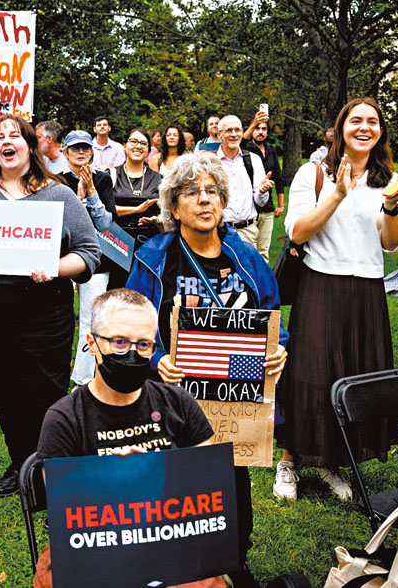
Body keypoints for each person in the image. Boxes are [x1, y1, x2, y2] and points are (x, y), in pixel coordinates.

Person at [125, 152, 290, 586]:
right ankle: (175, 566)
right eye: (191, 192)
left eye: (212, 191)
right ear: (173, 206)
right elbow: (131, 322)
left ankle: (234, 561)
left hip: (235, 399)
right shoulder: (153, 257)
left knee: (231, 482)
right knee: (173, 486)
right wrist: (156, 358)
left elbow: (271, 313)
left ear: (223, 201)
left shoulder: (246, 256)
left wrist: (278, 347)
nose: (204, 200)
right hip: (170, 396)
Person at [34, 289, 257, 588]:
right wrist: (114, 480)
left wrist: (156, 473)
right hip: (99, 545)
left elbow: (209, 485)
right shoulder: (65, 418)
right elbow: (62, 503)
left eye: (143, 344)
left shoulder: (178, 402)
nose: (132, 354)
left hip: (171, 536)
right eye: (119, 342)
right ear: (92, 343)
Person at [0, 114, 100, 496]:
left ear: (30, 145)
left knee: (44, 397)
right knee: (5, 395)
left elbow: (89, 252)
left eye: (15, 135)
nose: (6, 141)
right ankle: (22, 463)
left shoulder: (58, 194)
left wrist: (54, 267)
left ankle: (53, 470)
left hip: (42, 313)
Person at [276, 97, 398, 501]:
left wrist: (390, 204)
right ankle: (289, 460)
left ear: (380, 132)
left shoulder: (386, 179)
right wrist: (337, 195)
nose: (364, 127)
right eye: (356, 120)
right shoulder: (313, 173)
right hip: (321, 285)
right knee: (311, 373)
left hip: (368, 289)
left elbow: (392, 244)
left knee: (354, 374)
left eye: (373, 121)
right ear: (340, 128)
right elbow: (297, 231)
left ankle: (331, 462)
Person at [56, 130, 117, 386]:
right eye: (75, 148)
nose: (80, 152)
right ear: (65, 152)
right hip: (62, 259)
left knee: (91, 320)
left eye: (85, 148)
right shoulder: (57, 182)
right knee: (58, 318)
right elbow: (58, 222)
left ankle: (82, 379)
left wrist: (91, 192)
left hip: (96, 260)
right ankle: (56, 372)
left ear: (92, 152)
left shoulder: (102, 179)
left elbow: (106, 223)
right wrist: (78, 197)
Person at [110, 128, 163, 289]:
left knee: (146, 290)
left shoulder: (159, 179)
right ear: (125, 145)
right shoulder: (111, 175)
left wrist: (157, 219)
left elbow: (168, 212)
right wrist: (135, 210)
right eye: (133, 142)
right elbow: (104, 210)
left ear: (148, 150)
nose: (138, 146)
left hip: (148, 242)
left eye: (143, 143)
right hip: (117, 242)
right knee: (117, 292)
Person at [217, 115, 273, 247]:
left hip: (247, 231)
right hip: (219, 231)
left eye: (237, 130)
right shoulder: (212, 162)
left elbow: (260, 201)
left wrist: (262, 191)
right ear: (220, 135)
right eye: (229, 130)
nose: (234, 134)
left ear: (242, 133)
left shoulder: (253, 160)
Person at [243, 110, 287, 261]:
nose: (260, 132)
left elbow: (278, 178)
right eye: (257, 128)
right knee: (250, 250)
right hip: (250, 208)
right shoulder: (245, 149)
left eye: (264, 129)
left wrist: (281, 205)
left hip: (267, 208)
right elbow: (241, 141)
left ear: (267, 132)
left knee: (263, 251)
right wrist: (254, 122)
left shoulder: (271, 151)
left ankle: (263, 276)